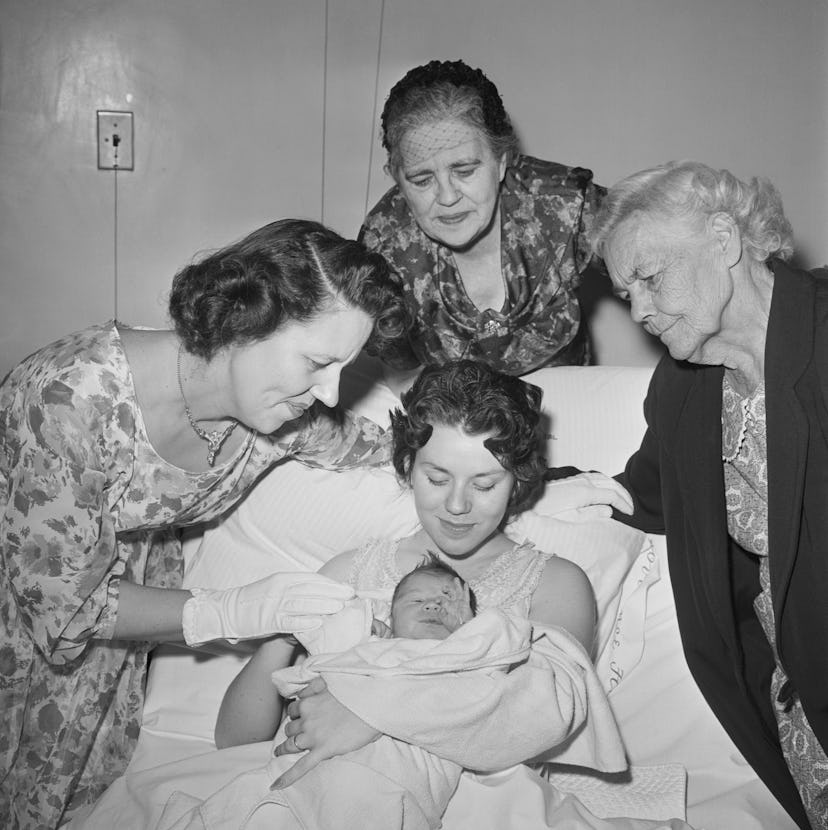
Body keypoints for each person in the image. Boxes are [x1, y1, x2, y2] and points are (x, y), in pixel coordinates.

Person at [0, 217, 408, 830]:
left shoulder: (280, 415)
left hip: (120, 640)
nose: (329, 393)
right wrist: (235, 609)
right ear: (245, 321)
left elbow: (385, 448)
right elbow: (60, 611)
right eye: (318, 362)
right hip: (28, 622)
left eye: (342, 368)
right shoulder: (68, 398)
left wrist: (523, 475)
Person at [220, 360, 625, 797]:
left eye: (484, 485)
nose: (456, 505)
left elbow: (538, 713)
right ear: (409, 465)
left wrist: (367, 717)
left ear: (517, 482)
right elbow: (235, 744)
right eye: (436, 478)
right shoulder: (347, 574)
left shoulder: (554, 584)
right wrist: (281, 635)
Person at [588, 160, 828, 830]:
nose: (636, 309)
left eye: (649, 277)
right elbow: (641, 495)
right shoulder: (684, 389)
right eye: (624, 291)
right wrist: (504, 478)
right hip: (801, 722)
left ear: (723, 240)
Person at [153, 559, 525, 830]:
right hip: (293, 782)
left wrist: (473, 631)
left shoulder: (466, 662)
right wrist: (316, 642)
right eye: (415, 601)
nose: (433, 605)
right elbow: (294, 684)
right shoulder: (359, 650)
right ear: (389, 620)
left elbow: (501, 663)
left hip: (385, 796)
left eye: (449, 600)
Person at [358, 59, 606, 385]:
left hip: (570, 399)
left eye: (465, 171)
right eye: (421, 180)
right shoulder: (382, 251)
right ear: (397, 180)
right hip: (457, 413)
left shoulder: (566, 206)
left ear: (502, 162)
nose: (447, 197)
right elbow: (402, 371)